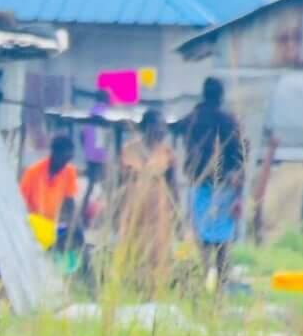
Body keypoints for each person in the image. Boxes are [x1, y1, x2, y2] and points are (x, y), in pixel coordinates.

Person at [180, 76, 247, 283]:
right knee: (223, 243)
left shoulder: (192, 119)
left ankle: (199, 285)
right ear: (221, 96)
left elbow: (188, 152)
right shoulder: (228, 121)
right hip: (224, 188)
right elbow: (239, 157)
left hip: (199, 186)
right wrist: (238, 194)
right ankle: (219, 293)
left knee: (201, 241)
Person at [106, 109, 181, 293]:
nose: (162, 130)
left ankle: (154, 293)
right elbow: (118, 184)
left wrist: (178, 214)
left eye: (164, 127)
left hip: (159, 215)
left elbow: (174, 185)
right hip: (133, 213)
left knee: (158, 253)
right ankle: (133, 290)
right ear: (146, 127)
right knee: (134, 251)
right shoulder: (128, 151)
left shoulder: (167, 153)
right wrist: (114, 212)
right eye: (158, 126)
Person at [18, 130, 82, 253]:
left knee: (73, 239)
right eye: (63, 158)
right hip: (32, 225)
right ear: (54, 153)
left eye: (69, 159)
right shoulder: (33, 172)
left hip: (52, 227)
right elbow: (21, 206)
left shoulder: (69, 172)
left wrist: (75, 228)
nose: (65, 163)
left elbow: (69, 204)